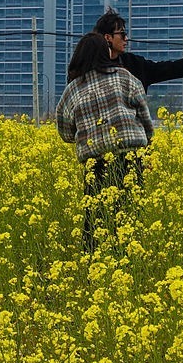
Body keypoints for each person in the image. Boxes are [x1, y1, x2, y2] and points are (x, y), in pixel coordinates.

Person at [56, 32, 154, 252]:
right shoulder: (125, 77)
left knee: (94, 217)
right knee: (129, 215)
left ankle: (92, 264)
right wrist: (147, 144)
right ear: (104, 53)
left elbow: (64, 131)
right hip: (130, 157)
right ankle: (128, 261)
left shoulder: (72, 90)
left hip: (95, 163)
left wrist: (85, 135)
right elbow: (144, 116)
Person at [93, 10, 183, 93]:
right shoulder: (92, 67)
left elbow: (167, 69)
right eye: (122, 34)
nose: (126, 38)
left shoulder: (134, 64)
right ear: (108, 37)